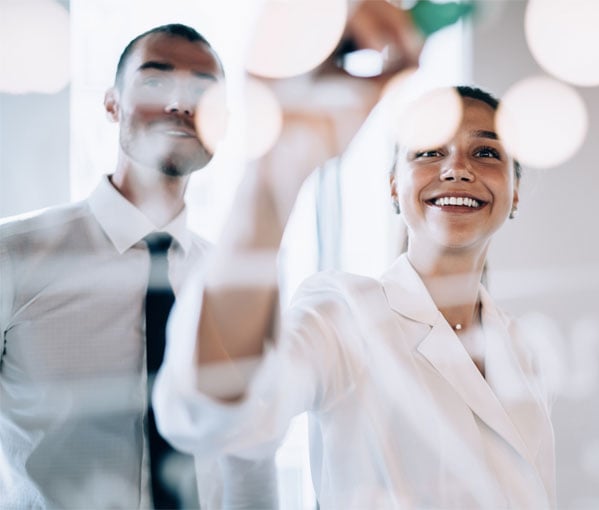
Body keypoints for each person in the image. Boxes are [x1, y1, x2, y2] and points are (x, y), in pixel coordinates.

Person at [152, 52, 556, 509]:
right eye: (428, 152)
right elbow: (219, 413)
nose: (456, 169)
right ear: (392, 187)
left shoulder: (519, 344)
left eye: (485, 152)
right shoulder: (343, 313)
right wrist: (275, 172)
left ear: (515, 189)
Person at [0, 23, 276, 508]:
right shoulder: (13, 257)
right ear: (112, 104)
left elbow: (249, 461)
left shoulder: (238, 284)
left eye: (202, 91)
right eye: (154, 82)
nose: (179, 103)